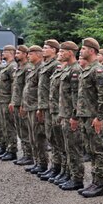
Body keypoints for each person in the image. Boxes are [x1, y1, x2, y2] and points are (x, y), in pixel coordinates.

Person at [72, 38, 103, 198]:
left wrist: (99, 117)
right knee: (90, 150)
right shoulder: (87, 70)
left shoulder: (98, 70)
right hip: (85, 117)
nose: (81, 51)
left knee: (97, 151)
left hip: (94, 118)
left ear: (92, 51)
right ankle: (94, 182)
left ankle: (98, 185)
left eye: (84, 49)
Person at [57, 41, 85, 190]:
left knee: (74, 148)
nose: (60, 53)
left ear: (70, 52)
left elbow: (77, 97)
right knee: (68, 147)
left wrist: (74, 117)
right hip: (65, 114)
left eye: (63, 51)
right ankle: (69, 174)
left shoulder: (75, 70)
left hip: (71, 116)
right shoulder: (67, 69)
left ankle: (77, 179)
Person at [37, 39, 61, 179]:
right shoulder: (45, 65)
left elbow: (56, 90)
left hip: (53, 107)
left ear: (54, 50)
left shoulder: (56, 65)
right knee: (50, 138)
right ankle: (54, 167)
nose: (43, 49)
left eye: (46, 47)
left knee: (55, 139)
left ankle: (57, 168)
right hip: (45, 106)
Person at [22, 45, 46, 174]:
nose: (28, 56)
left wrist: (40, 108)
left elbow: (42, 91)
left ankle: (42, 163)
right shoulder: (33, 69)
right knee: (32, 137)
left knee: (38, 137)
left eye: (31, 54)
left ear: (38, 54)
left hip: (36, 107)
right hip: (30, 106)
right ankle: (37, 161)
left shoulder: (41, 68)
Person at [10, 45, 34, 166]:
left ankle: (29, 155)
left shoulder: (28, 68)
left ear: (25, 54)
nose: (16, 55)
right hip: (17, 103)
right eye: (16, 53)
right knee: (20, 129)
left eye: (19, 53)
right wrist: (13, 102)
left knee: (25, 131)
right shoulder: (19, 68)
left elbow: (27, 88)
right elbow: (15, 87)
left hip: (23, 104)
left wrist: (23, 104)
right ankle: (25, 154)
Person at [0, 45, 18, 161]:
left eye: (5, 51)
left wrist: (12, 101)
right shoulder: (6, 66)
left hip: (7, 100)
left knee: (9, 126)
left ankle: (12, 150)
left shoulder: (13, 66)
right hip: (2, 100)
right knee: (4, 125)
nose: (3, 53)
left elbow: (15, 85)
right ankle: (6, 147)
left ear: (11, 52)